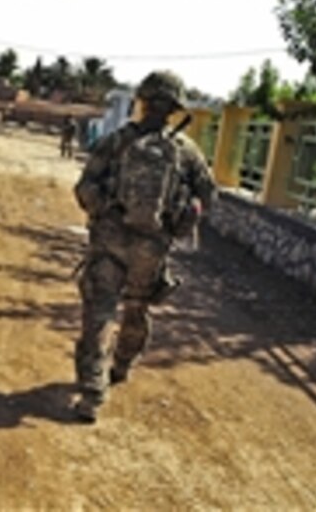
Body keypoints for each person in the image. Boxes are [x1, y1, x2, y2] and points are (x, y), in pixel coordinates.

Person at [70, 71, 216, 423]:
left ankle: (92, 393)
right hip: (152, 248)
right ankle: (121, 367)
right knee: (136, 310)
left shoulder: (117, 140)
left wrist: (104, 209)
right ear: (175, 108)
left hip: (111, 241)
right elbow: (208, 195)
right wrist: (183, 216)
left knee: (100, 312)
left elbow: (84, 187)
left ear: (143, 101)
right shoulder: (186, 151)